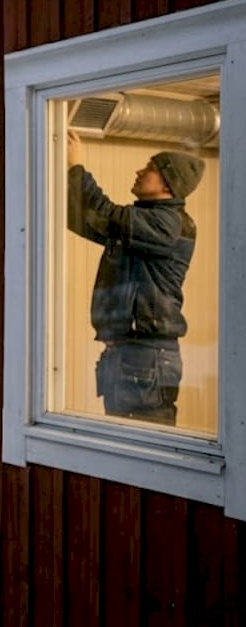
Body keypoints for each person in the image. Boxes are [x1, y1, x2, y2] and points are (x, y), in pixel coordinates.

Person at [66, 131, 205, 426]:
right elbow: (85, 218)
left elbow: (105, 213)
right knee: (124, 443)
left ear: (168, 183)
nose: (139, 171)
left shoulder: (168, 223)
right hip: (131, 354)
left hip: (145, 355)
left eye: (149, 168)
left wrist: (75, 167)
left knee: (145, 448)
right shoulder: (146, 222)